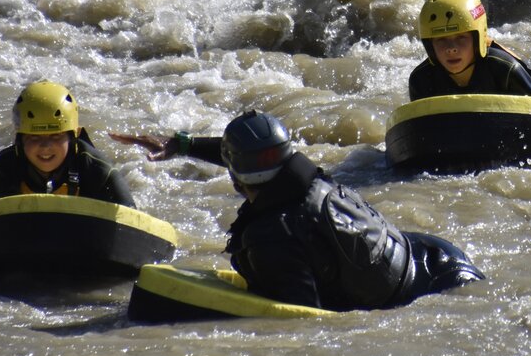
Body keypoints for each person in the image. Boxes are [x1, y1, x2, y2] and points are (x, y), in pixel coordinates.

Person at [110, 111, 484, 312]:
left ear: (237, 180)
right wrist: (183, 144)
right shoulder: (302, 177)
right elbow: (255, 157)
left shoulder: (272, 237)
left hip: (425, 290)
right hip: (436, 255)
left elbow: (304, 320)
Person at [0, 81, 135, 207]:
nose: (45, 146)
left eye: (56, 136)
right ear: (20, 140)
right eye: (35, 137)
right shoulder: (5, 165)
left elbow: (131, 227)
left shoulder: (99, 171)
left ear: (72, 136)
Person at [409, 0, 531, 101]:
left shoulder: (505, 69)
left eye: (460, 37)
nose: (451, 48)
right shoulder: (421, 80)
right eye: (441, 40)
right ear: (429, 45)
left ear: (478, 38)